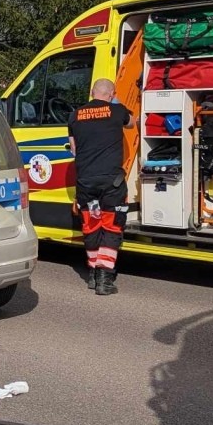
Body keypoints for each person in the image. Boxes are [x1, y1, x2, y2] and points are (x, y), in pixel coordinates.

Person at [67, 79, 134, 296]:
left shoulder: (75, 115)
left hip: (86, 182)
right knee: (111, 226)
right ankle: (105, 278)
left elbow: (74, 148)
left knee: (91, 226)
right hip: (111, 183)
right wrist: (118, 103)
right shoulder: (117, 111)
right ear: (111, 94)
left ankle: (93, 275)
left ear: (91, 92)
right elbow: (132, 123)